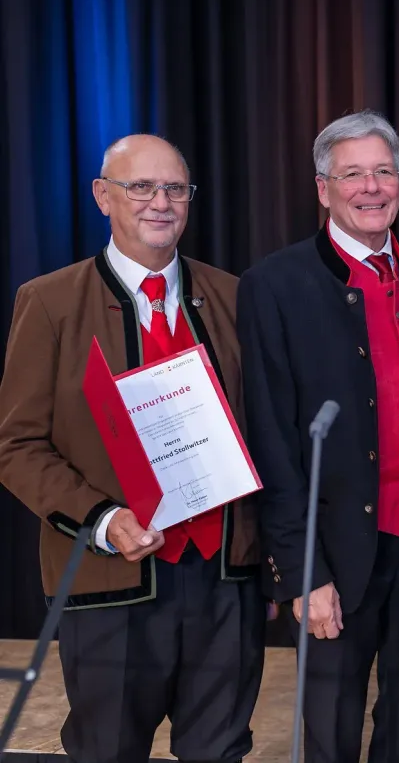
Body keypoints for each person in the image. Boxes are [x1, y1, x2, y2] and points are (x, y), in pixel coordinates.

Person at [0, 135, 263, 762]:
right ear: (102, 196)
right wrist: (102, 518)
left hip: (223, 581)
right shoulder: (50, 303)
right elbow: (17, 446)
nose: (160, 203)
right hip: (110, 583)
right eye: (140, 187)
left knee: (221, 750)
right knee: (107, 750)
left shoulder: (235, 297)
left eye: (175, 189)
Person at [238, 110, 399, 763]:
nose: (371, 187)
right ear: (323, 188)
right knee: (330, 733)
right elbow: (271, 440)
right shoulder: (274, 284)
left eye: (383, 171)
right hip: (333, 551)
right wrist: (304, 573)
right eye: (352, 174)